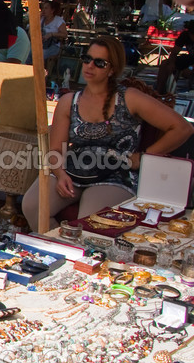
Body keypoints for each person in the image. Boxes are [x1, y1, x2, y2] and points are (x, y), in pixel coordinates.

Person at [22, 35, 192, 232]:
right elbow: (55, 148)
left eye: (99, 62)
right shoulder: (69, 101)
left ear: (112, 69)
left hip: (116, 173)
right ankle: (57, 248)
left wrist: (144, 156)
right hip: (74, 168)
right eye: (87, 59)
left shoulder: (130, 98)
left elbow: (182, 128)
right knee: (32, 206)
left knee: (90, 222)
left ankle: (83, 255)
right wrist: (59, 174)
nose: (90, 66)